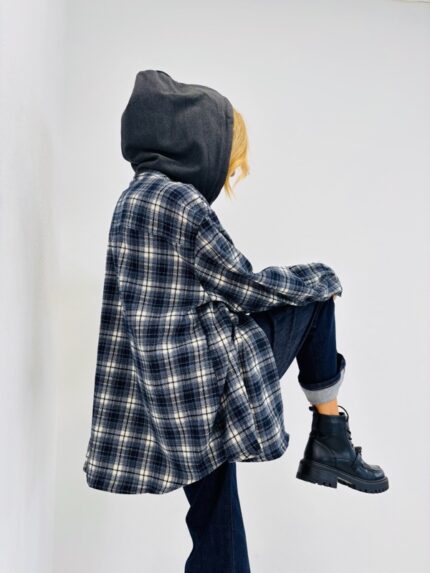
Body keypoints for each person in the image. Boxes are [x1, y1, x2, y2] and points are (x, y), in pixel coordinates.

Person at [82, 69, 389, 573]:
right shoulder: (180, 201)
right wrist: (320, 275)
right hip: (205, 382)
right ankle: (330, 438)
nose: (228, 171)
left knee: (215, 519)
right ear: (196, 143)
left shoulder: (130, 201)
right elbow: (243, 286)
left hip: (167, 398)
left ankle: (326, 448)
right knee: (315, 301)